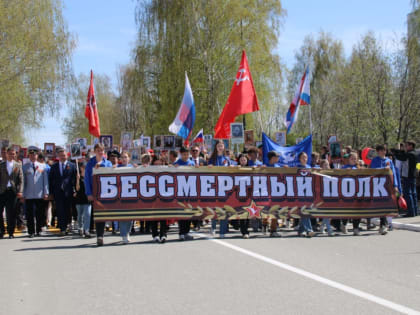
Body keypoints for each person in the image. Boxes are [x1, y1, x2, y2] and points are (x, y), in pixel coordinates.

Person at [85, 143, 112, 246]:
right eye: (98, 150)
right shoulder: (90, 163)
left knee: (104, 214)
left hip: (106, 192)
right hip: (95, 192)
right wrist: (88, 193)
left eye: (102, 150)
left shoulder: (108, 163)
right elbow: (87, 179)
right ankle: (99, 236)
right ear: (94, 151)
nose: (100, 152)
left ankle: (102, 233)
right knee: (98, 214)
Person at [371, 145, 400, 235]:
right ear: (378, 151)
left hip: (387, 185)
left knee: (385, 204)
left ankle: (383, 225)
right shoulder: (375, 160)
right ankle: (382, 224)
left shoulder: (389, 161)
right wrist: (383, 169)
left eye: (384, 150)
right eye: (381, 150)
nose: (383, 152)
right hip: (377, 185)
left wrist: (395, 185)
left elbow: (393, 173)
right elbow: (373, 171)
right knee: (379, 205)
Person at [49, 148, 76, 236]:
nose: (62, 157)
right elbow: (51, 180)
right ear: (58, 156)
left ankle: (68, 225)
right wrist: (51, 192)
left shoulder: (72, 165)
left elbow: (74, 179)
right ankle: (62, 228)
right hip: (58, 192)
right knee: (60, 210)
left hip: (68, 191)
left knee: (68, 210)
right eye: (61, 155)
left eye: (64, 155)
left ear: (67, 155)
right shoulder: (54, 166)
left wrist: (75, 190)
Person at [22, 148, 49, 238]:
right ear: (29, 156)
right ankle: (31, 231)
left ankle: (38, 230)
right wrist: (23, 193)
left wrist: (46, 192)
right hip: (29, 194)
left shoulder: (42, 166)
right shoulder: (25, 167)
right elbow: (23, 181)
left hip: (39, 193)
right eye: (31, 155)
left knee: (40, 213)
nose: (33, 156)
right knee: (29, 214)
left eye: (35, 155)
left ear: (37, 156)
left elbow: (45, 181)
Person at [208, 140, 231, 238]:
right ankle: (213, 227)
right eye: (218, 146)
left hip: (225, 187)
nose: (220, 147)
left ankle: (222, 231)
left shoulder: (227, 159)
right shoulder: (212, 159)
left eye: (222, 146)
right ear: (216, 147)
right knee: (214, 208)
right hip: (214, 187)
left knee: (224, 209)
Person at [0, 147, 23, 238]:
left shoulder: (17, 165)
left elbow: (21, 180)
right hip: (2, 191)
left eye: (13, 154)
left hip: (12, 192)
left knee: (11, 213)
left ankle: (10, 232)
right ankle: (2, 230)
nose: (12, 155)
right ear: (6, 154)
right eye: (10, 154)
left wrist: (20, 191)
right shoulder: (1, 165)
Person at [392, 141, 418, 217]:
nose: (406, 147)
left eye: (407, 146)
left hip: (407, 176)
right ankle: (415, 211)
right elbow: (403, 154)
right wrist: (399, 151)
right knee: (414, 194)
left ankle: (411, 212)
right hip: (412, 176)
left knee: (408, 194)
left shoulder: (410, 154)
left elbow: (401, 157)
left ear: (411, 146)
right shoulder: (415, 153)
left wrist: (395, 153)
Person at [174, 147, 195, 241]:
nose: (186, 156)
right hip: (180, 192)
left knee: (189, 212)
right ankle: (181, 233)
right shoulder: (176, 164)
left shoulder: (191, 163)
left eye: (187, 154)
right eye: (184, 154)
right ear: (180, 154)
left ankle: (186, 232)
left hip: (190, 191)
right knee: (181, 213)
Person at [341, 152, 362, 236]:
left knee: (357, 210)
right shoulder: (344, 168)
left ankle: (356, 228)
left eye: (355, 158)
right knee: (347, 210)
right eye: (352, 158)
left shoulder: (359, 168)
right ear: (348, 159)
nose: (354, 160)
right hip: (347, 192)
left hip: (357, 192)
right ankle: (344, 224)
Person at [296, 152, 315, 237]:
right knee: (304, 210)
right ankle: (309, 229)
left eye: (306, 157)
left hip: (308, 192)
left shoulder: (309, 168)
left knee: (305, 210)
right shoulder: (296, 168)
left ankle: (301, 230)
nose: (305, 159)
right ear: (299, 159)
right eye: (303, 157)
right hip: (299, 193)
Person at [118, 151, 134, 244]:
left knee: (130, 216)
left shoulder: (132, 167)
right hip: (120, 195)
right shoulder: (117, 168)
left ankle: (127, 232)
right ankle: (123, 234)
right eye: (122, 157)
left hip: (131, 195)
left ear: (129, 158)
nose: (124, 159)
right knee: (122, 216)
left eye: (126, 157)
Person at [265, 151, 281, 237]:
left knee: (275, 210)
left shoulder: (278, 167)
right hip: (265, 191)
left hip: (276, 191)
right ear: (272, 158)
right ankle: (264, 224)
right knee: (264, 209)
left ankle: (273, 229)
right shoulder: (265, 166)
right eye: (276, 157)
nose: (278, 158)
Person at [74, 163, 91, 238]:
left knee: (87, 214)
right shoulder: (78, 177)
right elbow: (77, 188)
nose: (83, 168)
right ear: (80, 168)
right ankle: (80, 227)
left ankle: (86, 230)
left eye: (85, 167)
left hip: (87, 199)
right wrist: (77, 179)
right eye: (82, 167)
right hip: (79, 198)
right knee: (80, 215)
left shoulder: (89, 177)